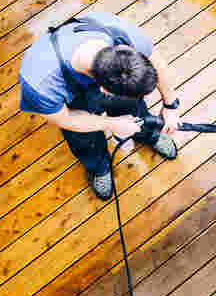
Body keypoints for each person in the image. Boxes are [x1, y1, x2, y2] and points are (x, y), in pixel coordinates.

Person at [18, 12, 182, 201]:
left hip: (103, 84)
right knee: (83, 138)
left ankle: (148, 134)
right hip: (72, 105)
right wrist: (110, 124)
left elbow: (157, 64)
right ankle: (99, 166)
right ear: (104, 90)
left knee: (135, 109)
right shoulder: (41, 84)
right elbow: (65, 119)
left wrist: (171, 105)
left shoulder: (120, 33)